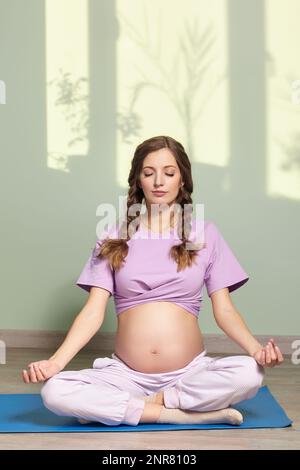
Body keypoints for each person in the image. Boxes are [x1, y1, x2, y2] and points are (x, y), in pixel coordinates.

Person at [22, 136, 284, 427]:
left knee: (250, 373)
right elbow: (93, 311)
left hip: (188, 373)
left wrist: (256, 351)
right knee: (55, 391)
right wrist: (56, 362)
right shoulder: (113, 236)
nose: (159, 181)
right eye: (149, 173)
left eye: (169, 173)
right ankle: (182, 414)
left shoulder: (204, 234)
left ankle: (147, 406)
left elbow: (224, 310)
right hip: (126, 375)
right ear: (138, 180)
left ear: (182, 180)